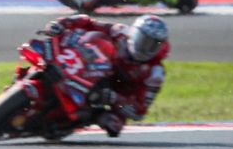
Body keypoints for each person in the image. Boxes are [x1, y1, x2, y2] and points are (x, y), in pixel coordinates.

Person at [40, 13, 170, 137]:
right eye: (144, 40)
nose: (146, 48)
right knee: (85, 36)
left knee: (113, 124)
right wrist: (62, 23)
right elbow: (89, 23)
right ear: (134, 33)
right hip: (94, 66)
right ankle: (47, 65)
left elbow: (139, 112)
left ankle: (70, 121)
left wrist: (115, 98)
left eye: (153, 45)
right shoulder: (120, 32)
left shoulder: (155, 73)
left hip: (113, 91)